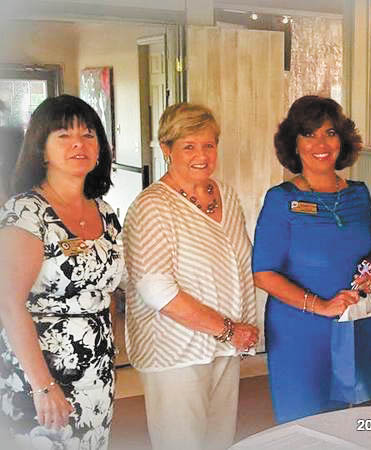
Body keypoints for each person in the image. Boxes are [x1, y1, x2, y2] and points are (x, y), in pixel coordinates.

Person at [123, 103, 258, 450]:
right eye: (189, 146)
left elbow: (239, 266)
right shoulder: (152, 206)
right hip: (174, 352)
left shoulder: (225, 194)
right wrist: (228, 329)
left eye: (209, 145)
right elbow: (157, 291)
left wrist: (235, 332)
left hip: (224, 347)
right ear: (166, 149)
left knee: (219, 441)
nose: (201, 155)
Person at [0, 95, 123, 449]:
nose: (78, 145)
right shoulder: (26, 211)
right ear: (42, 148)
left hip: (96, 370)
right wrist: (43, 385)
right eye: (63, 136)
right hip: (40, 372)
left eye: (88, 135)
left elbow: (106, 293)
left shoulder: (105, 212)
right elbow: (9, 303)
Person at [252, 96, 371, 424]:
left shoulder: (360, 194)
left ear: (342, 139)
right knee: (303, 424)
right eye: (309, 134)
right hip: (299, 329)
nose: (321, 143)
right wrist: (320, 306)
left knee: (346, 423)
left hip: (352, 324)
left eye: (329, 132)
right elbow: (263, 273)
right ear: (294, 143)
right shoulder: (282, 200)